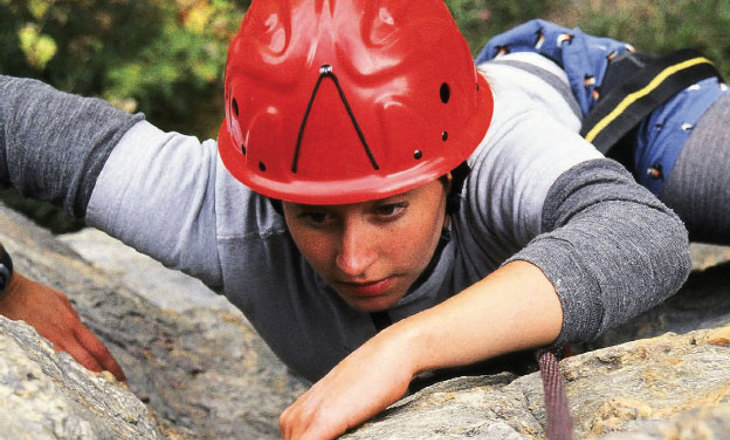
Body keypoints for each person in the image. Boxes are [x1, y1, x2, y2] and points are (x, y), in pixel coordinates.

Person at [0, 0, 715, 438]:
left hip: (609, 113)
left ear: (449, 171)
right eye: (314, 218)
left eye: (389, 208)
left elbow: (642, 234)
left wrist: (402, 345)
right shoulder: (219, 206)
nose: (353, 259)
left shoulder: (497, 149)